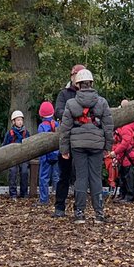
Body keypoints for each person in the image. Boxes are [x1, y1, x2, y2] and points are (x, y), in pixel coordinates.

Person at [59, 68, 113, 224]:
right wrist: (108, 147)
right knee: (96, 178)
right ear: (91, 83)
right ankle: (99, 213)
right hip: (96, 144)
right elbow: (108, 126)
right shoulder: (102, 102)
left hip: (78, 145)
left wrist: (64, 149)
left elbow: (65, 128)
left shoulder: (71, 103)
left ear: (78, 84)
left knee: (81, 178)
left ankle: (80, 213)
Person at [51, 64, 86, 218]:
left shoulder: (90, 95)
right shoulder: (64, 94)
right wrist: (74, 114)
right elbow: (58, 111)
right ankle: (59, 207)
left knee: (80, 176)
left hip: (82, 140)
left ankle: (79, 208)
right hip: (67, 139)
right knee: (64, 175)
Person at [112, 99, 134, 204]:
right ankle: (123, 195)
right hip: (123, 156)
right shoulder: (124, 126)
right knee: (122, 175)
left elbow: (125, 143)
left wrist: (116, 152)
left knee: (127, 176)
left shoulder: (126, 127)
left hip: (126, 155)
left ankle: (129, 196)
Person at [36, 101, 60, 205]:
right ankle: (58, 198)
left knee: (44, 178)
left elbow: (40, 142)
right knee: (57, 177)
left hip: (45, 156)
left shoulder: (41, 126)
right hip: (57, 155)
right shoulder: (57, 124)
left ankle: (44, 199)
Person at [2, 111, 30, 199]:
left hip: (23, 156)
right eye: (18, 120)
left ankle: (24, 193)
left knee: (24, 172)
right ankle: (13, 194)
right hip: (13, 157)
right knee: (13, 173)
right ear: (13, 122)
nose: (20, 122)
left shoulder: (26, 132)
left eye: (21, 120)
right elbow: (5, 145)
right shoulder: (10, 133)